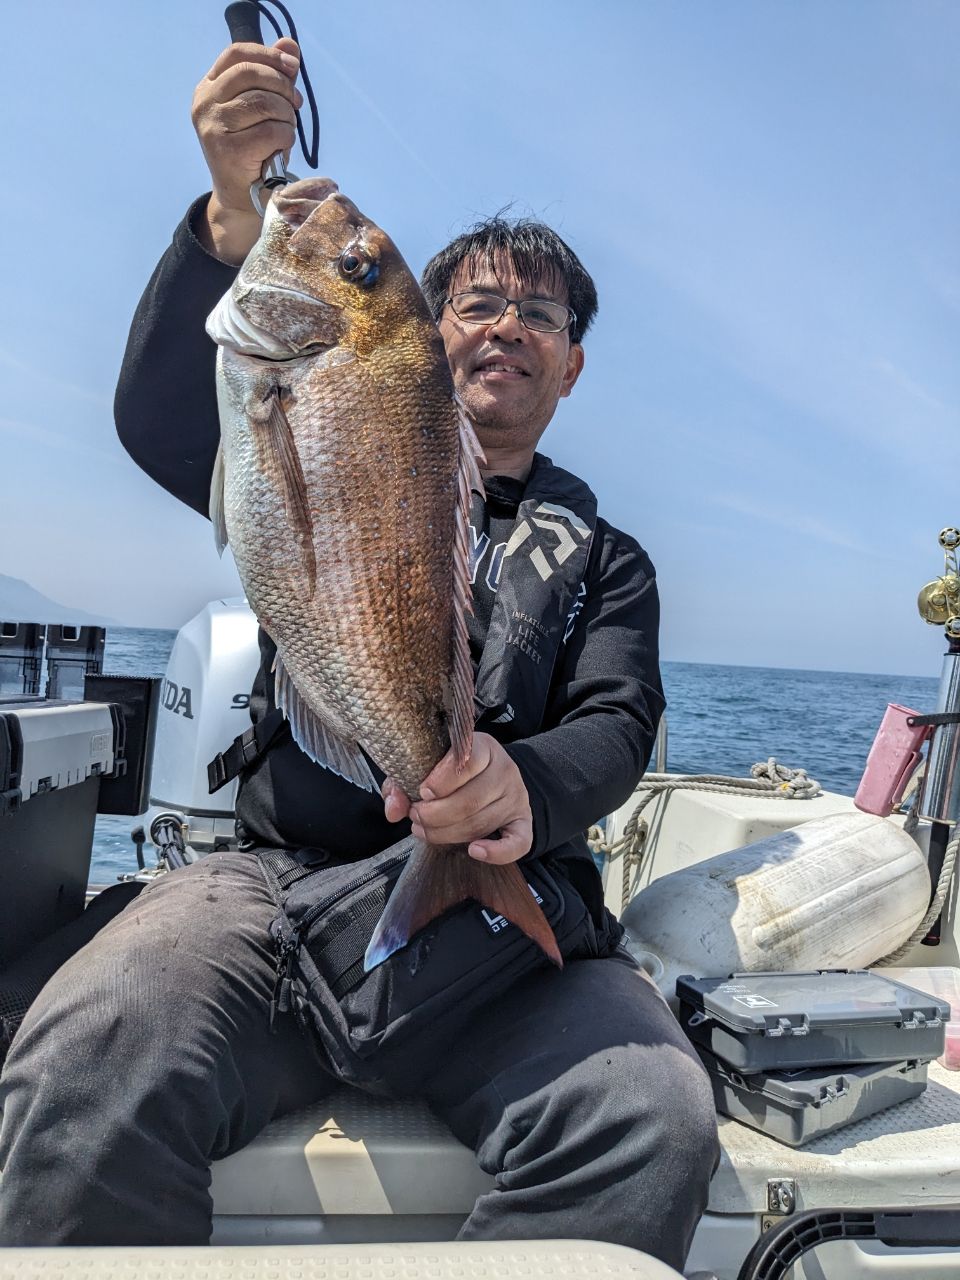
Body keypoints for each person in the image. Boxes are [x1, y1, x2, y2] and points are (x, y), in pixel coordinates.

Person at [0, 36, 718, 1266]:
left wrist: (519, 788)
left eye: (537, 312)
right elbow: (163, 415)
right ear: (425, 332)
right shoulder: (313, 411)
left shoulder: (609, 560)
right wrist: (231, 213)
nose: (504, 327)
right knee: (92, 1047)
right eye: (477, 302)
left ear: (573, 361)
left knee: (649, 1112)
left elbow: (616, 720)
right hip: (273, 889)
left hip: (502, 931)